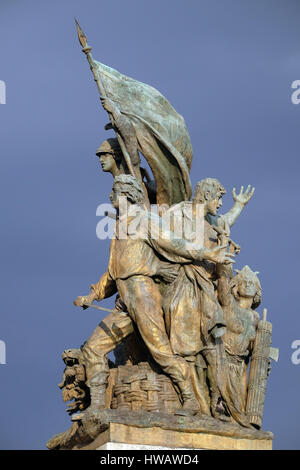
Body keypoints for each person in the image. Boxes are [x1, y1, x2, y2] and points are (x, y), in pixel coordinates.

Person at [73, 175, 234, 418]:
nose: (110, 197)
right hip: (123, 302)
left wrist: (209, 254)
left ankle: (189, 398)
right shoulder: (119, 226)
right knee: (93, 349)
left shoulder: (145, 221)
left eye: (114, 192)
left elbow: (176, 244)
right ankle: (97, 408)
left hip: (143, 296)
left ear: (127, 194)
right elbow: (113, 272)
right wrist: (92, 296)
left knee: (161, 352)